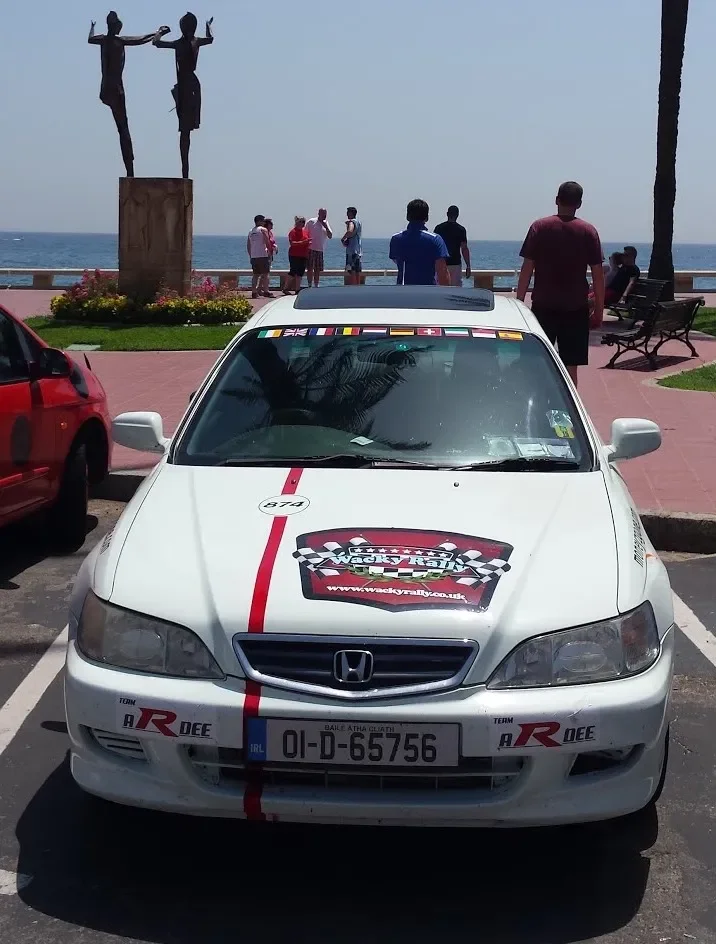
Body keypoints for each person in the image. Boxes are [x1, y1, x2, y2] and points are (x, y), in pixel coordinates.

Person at [516, 181, 604, 388]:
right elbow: (598, 275)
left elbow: (527, 268)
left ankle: (537, 399)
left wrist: (519, 302)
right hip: (576, 308)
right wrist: (599, 310)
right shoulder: (588, 231)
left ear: (557, 200)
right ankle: (568, 405)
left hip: (543, 306)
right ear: (579, 204)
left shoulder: (539, 227)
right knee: (570, 366)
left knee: (537, 363)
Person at [88, 14, 169, 178]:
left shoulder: (102, 39)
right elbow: (140, 39)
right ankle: (130, 170)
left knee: (122, 128)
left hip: (105, 89)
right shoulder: (119, 40)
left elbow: (90, 39)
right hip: (116, 89)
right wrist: (159, 32)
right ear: (116, 27)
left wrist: (92, 27)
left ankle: (130, 169)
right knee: (123, 129)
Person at [153, 13, 214, 179]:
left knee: (186, 129)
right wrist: (160, 32)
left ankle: (185, 171)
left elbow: (210, 39)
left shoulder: (194, 41)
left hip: (191, 87)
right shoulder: (180, 43)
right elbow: (156, 43)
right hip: (185, 87)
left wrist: (208, 26)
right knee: (184, 129)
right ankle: (184, 170)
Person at [389, 199, 450, 286]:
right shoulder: (435, 239)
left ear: (407, 216)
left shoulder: (396, 239)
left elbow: (397, 260)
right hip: (427, 290)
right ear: (427, 217)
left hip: (403, 290)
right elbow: (442, 272)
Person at [434, 206, 471, 287]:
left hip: (442, 263)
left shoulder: (439, 228)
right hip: (455, 263)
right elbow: (464, 248)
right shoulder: (461, 229)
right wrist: (468, 266)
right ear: (457, 215)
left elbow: (434, 247)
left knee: (441, 287)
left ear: (447, 214)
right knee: (456, 289)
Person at [246, 214, 273, 299]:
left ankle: (254, 292)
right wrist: (270, 251)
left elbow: (248, 245)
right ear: (260, 221)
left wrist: (251, 256)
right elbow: (267, 241)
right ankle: (266, 291)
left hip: (254, 256)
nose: (264, 222)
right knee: (265, 274)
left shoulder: (251, 231)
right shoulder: (263, 229)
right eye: (263, 221)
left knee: (255, 275)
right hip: (263, 255)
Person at [306, 209, 333, 287]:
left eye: (325, 214)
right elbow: (305, 233)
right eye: (323, 214)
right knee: (310, 268)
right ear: (318, 213)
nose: (324, 216)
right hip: (310, 248)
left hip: (320, 249)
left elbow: (330, 236)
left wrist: (326, 227)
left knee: (317, 269)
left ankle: (316, 285)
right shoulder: (311, 222)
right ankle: (309, 285)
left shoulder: (326, 223)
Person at [286, 216, 310, 294]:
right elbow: (292, 243)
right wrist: (302, 242)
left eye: (303, 222)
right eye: (300, 221)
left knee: (300, 273)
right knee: (293, 272)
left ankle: (297, 289)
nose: (302, 223)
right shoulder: (292, 232)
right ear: (296, 222)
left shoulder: (305, 232)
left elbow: (307, 241)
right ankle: (285, 288)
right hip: (294, 254)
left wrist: (308, 243)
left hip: (303, 255)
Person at [342, 207, 363, 286]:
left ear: (351, 213)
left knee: (351, 270)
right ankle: (357, 286)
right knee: (357, 271)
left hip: (351, 251)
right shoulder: (358, 222)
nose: (347, 214)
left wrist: (343, 238)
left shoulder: (352, 222)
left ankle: (353, 287)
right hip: (358, 250)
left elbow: (350, 231)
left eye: (348, 212)